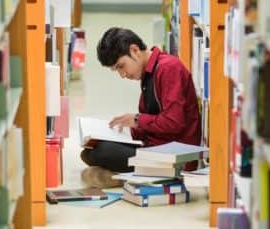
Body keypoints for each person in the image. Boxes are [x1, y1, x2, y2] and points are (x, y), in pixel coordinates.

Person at [80, 27, 201, 188]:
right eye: (117, 70)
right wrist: (123, 132)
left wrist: (137, 120)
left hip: (175, 157)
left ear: (135, 50)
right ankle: (127, 175)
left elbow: (174, 122)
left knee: (101, 152)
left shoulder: (168, 68)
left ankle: (124, 177)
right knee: (90, 151)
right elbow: (153, 121)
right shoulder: (148, 74)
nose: (122, 74)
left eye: (121, 66)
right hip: (155, 146)